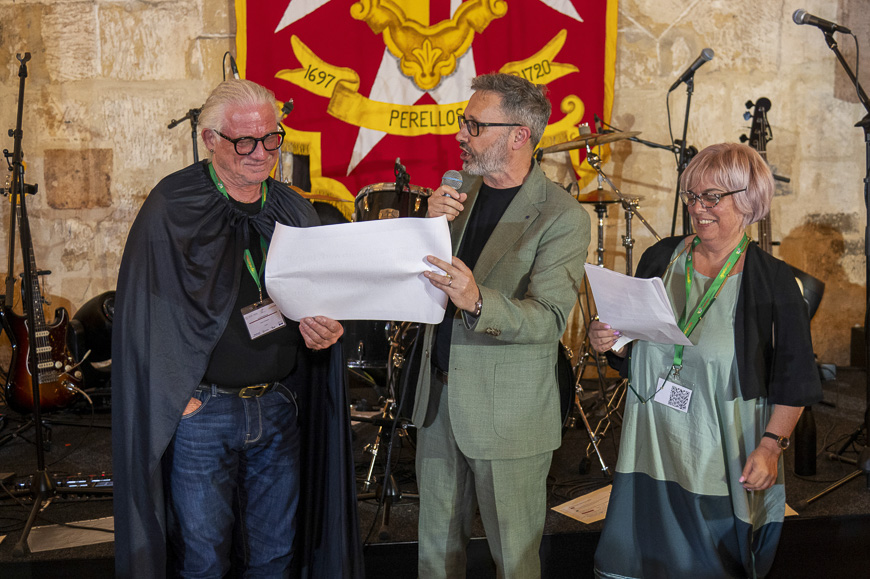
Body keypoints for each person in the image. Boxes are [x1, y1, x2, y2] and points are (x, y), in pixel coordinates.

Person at [112, 79, 363, 578]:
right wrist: (182, 401)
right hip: (203, 412)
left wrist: (327, 330)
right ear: (210, 139)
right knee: (204, 560)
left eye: (271, 138)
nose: (262, 153)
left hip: (277, 406)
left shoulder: (292, 208)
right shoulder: (173, 205)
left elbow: (321, 303)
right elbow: (142, 317)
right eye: (245, 141)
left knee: (275, 555)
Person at [590, 143, 823, 578]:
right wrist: (610, 341)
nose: (698, 208)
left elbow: (795, 379)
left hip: (717, 455)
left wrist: (771, 447)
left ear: (748, 199)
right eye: (692, 196)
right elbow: (634, 348)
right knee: (638, 559)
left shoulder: (773, 281)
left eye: (712, 197)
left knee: (707, 564)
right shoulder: (660, 258)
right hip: (650, 447)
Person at [414, 73, 591, 578]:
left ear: (519, 135)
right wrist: (427, 228)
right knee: (434, 557)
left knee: (513, 561)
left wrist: (476, 301)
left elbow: (549, 318)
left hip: (507, 416)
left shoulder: (561, 215)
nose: (460, 135)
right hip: (438, 400)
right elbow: (420, 281)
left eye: (474, 125)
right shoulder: (457, 193)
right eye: (463, 122)